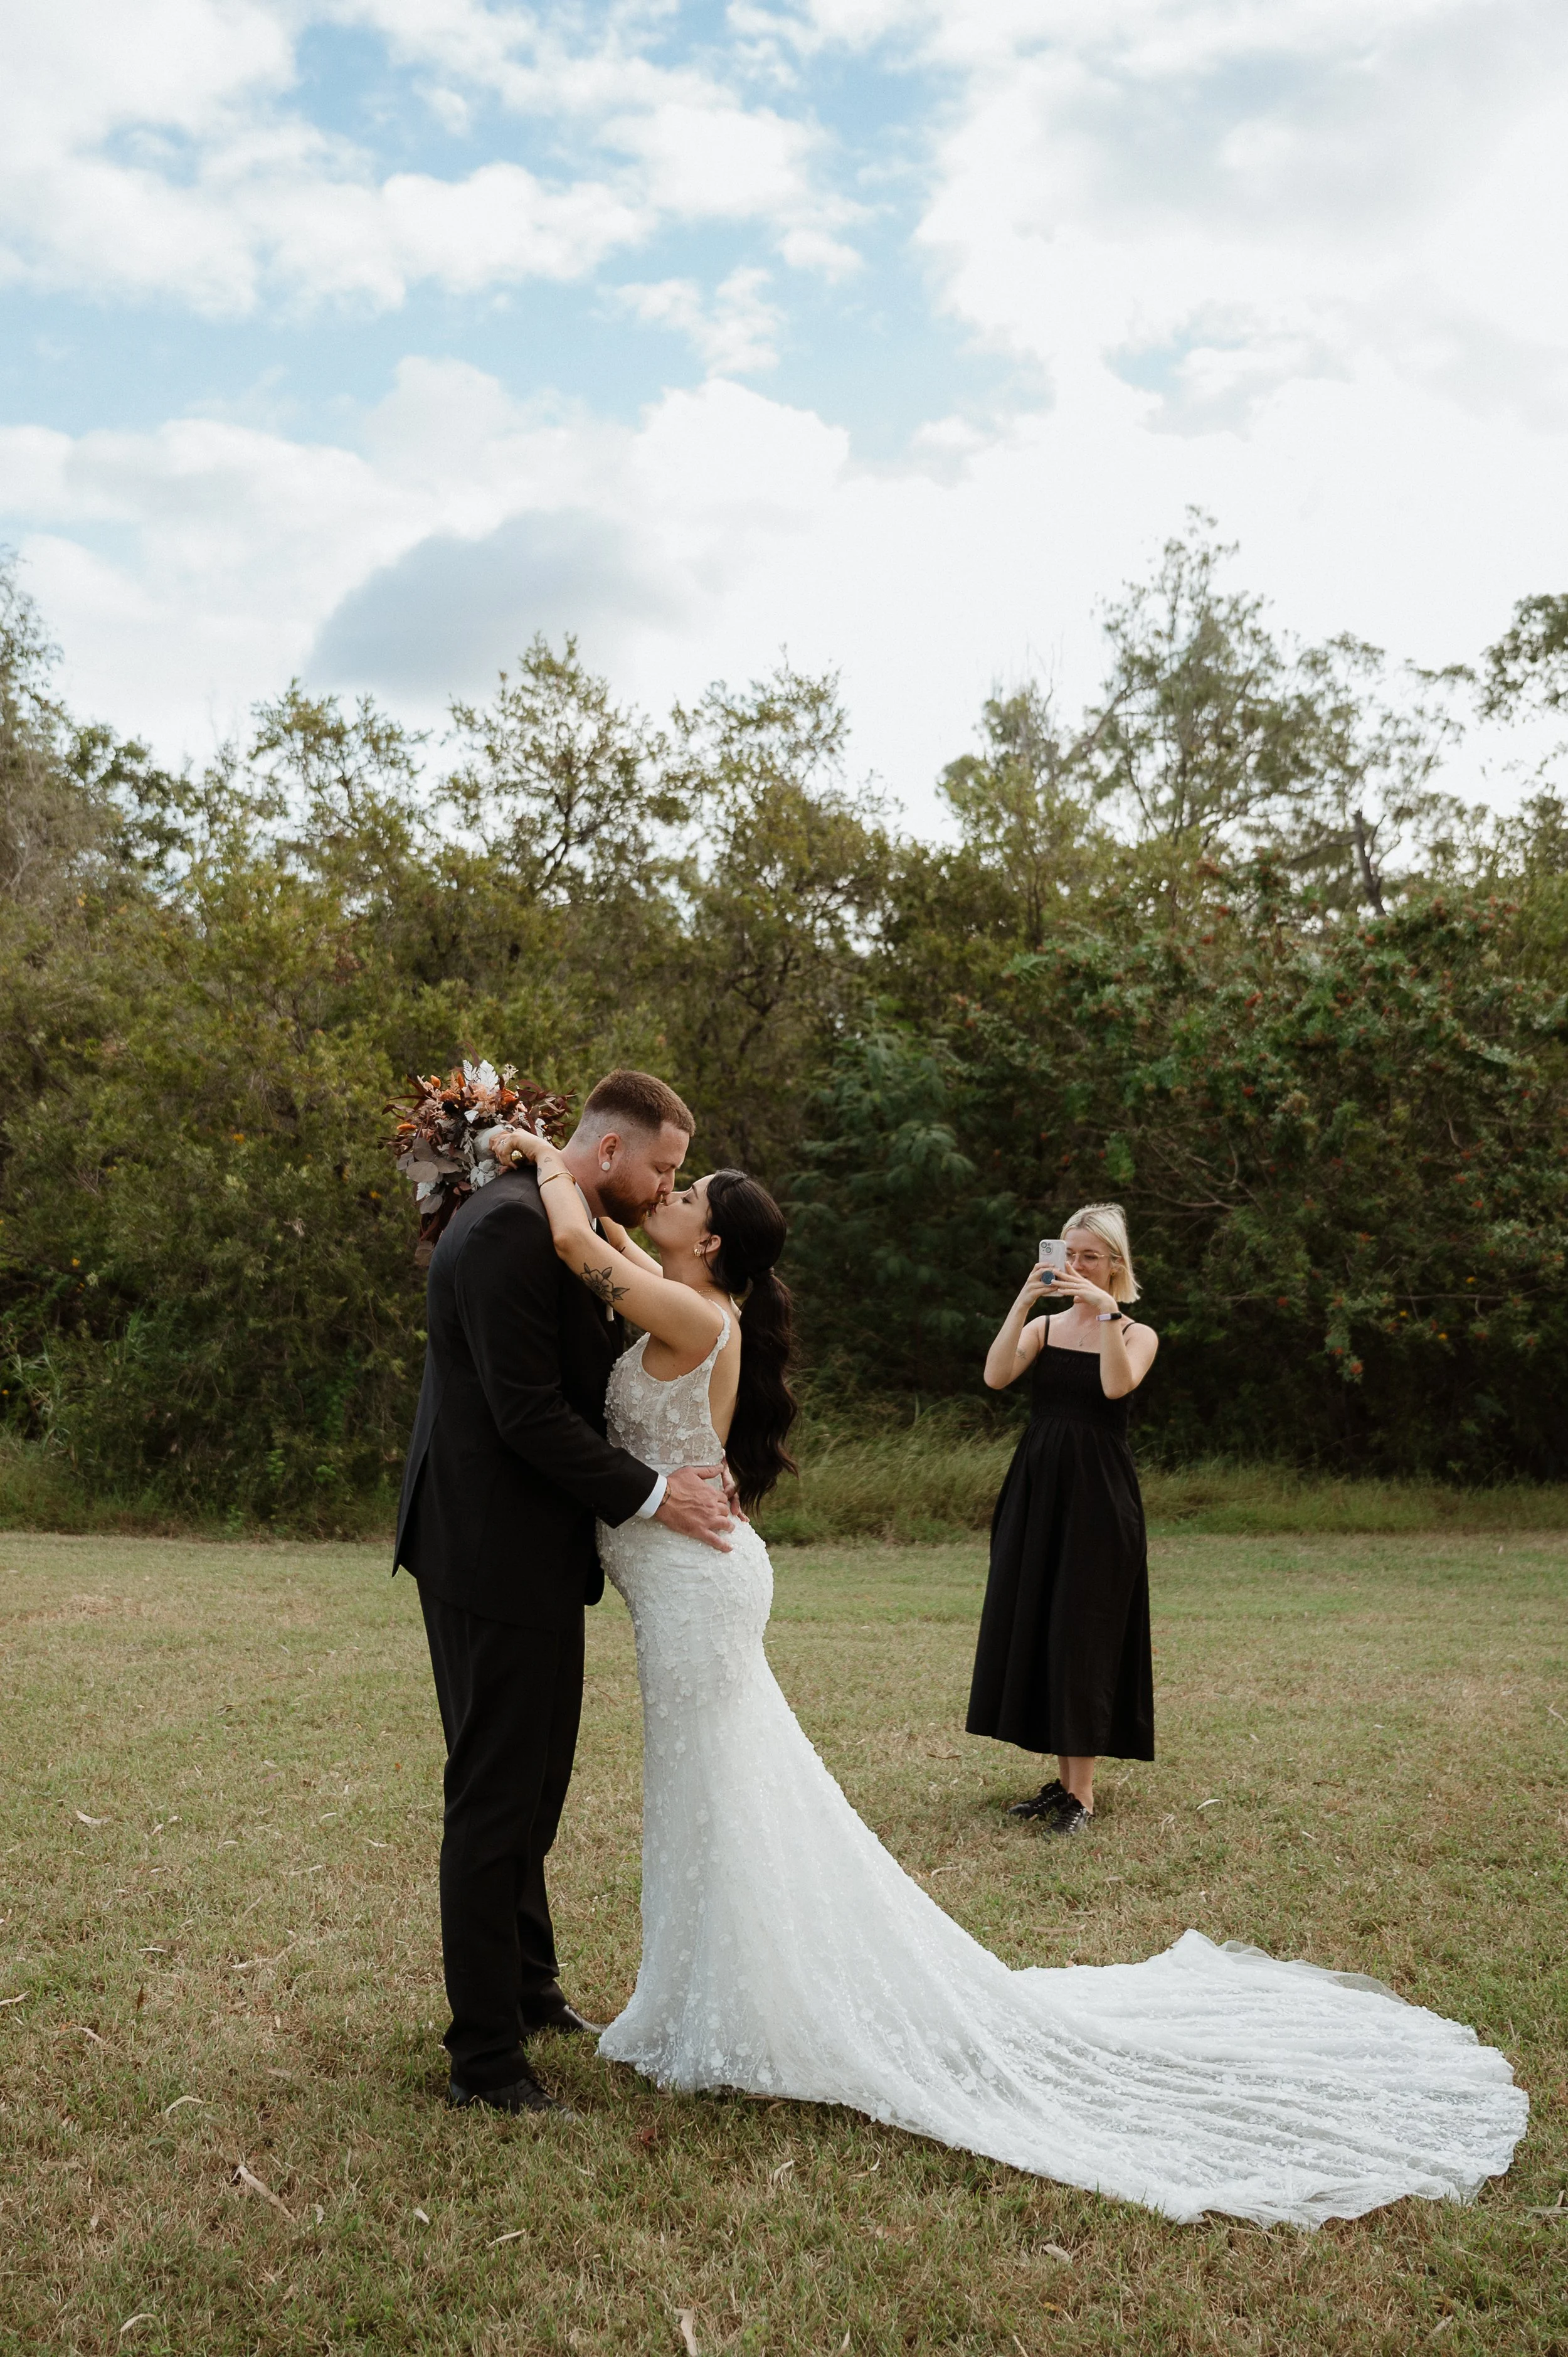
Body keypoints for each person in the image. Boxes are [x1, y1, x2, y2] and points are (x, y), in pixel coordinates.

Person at [493, 1124, 1526, 2227]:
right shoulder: (689, 1288)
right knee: (714, 1787)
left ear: (712, 1243)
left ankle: (741, 2004)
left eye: (689, 1190)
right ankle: (708, 1993)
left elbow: (573, 1239)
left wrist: (533, 1144)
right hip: (691, 1581)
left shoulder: (695, 1310)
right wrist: (586, 1180)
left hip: (696, 1590)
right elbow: (607, 1237)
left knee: (716, 1788)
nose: (674, 1193)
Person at [393, 1068, 736, 2118]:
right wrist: (650, 1495)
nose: (666, 1186)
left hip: (533, 1555)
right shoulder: (504, 1231)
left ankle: (530, 1988)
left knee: (533, 1785)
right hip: (487, 1555)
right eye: (664, 1169)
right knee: (495, 1797)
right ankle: (484, 2059)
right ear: (610, 1152)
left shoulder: (553, 1211)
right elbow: (525, 1414)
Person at [967, 1204, 1158, 1835]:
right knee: (1045, 1623)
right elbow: (995, 1375)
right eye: (1067, 1255)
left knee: (1085, 1631)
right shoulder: (1045, 1329)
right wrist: (1022, 1304)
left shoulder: (1135, 1333)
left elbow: (1113, 1387)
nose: (1074, 1267)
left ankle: (1084, 1794)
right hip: (1037, 1488)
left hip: (1099, 1498)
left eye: (1089, 1257)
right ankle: (1064, 1783)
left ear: (1115, 1265)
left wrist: (1102, 1311)